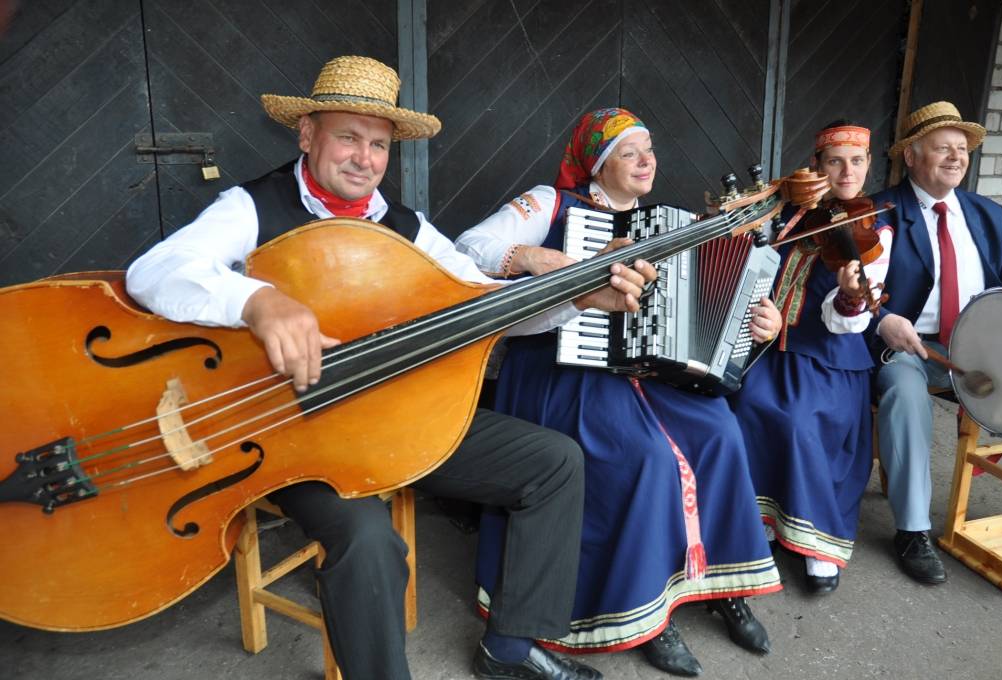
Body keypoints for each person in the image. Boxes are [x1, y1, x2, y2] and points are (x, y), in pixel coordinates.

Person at [125, 56, 657, 680]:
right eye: (348, 137)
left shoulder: (408, 230)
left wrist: (576, 294)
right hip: (292, 428)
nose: (364, 158)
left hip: (397, 416)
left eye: (378, 144)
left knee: (554, 462)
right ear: (307, 134)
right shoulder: (251, 207)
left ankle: (510, 650)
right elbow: (151, 272)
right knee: (371, 543)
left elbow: (484, 305)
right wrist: (257, 300)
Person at [455, 108, 783, 678]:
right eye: (630, 152)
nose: (647, 160)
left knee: (722, 431)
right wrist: (538, 259)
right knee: (647, 457)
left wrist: (758, 326)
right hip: (562, 369)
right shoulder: (553, 204)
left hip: (643, 374)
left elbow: (704, 310)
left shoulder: (672, 223)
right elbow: (468, 248)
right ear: (599, 163)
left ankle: (720, 585)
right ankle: (652, 612)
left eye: (649, 148)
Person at [727, 121, 893, 594]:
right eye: (834, 160)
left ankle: (815, 542)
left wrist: (849, 297)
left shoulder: (872, 229)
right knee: (742, 406)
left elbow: (848, 319)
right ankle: (760, 521)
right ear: (816, 166)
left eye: (857, 161)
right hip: (772, 349)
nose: (847, 171)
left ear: (868, 165)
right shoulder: (795, 214)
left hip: (828, 360)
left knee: (800, 421)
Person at [869, 101, 1002, 585]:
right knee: (903, 387)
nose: (956, 157)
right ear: (912, 156)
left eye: (962, 149)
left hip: (978, 346)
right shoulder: (880, 211)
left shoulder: (986, 213)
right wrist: (882, 318)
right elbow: (855, 289)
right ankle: (913, 530)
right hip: (915, 347)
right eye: (943, 148)